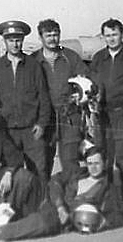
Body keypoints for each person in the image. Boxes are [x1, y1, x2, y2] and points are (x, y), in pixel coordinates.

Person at [0, 146, 123, 242]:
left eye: (97, 163)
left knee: (41, 222)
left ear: (105, 163)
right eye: (90, 163)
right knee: (23, 176)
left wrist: (99, 221)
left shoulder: (108, 189)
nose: (93, 167)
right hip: (48, 199)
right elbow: (55, 181)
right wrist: (59, 205)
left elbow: (118, 216)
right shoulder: (78, 173)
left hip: (59, 217)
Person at [0, 20, 51, 191]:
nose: (15, 44)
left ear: (22, 41)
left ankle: (41, 209)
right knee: (10, 173)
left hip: (32, 131)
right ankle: (14, 210)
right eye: (11, 40)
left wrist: (41, 124)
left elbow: (44, 97)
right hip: (7, 131)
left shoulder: (34, 66)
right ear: (4, 42)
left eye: (18, 40)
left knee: (39, 171)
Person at [89, 18, 123, 216]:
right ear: (103, 37)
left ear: (122, 34)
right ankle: (106, 200)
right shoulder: (98, 58)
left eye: (115, 34)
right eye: (108, 35)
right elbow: (91, 86)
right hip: (102, 115)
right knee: (101, 157)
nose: (111, 39)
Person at [31, 19, 90, 176]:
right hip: (45, 118)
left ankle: (71, 198)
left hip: (69, 116)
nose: (52, 39)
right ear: (40, 37)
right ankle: (43, 199)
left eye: (55, 35)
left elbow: (86, 79)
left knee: (70, 162)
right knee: (42, 163)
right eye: (48, 35)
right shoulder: (33, 60)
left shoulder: (70, 57)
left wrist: (80, 92)